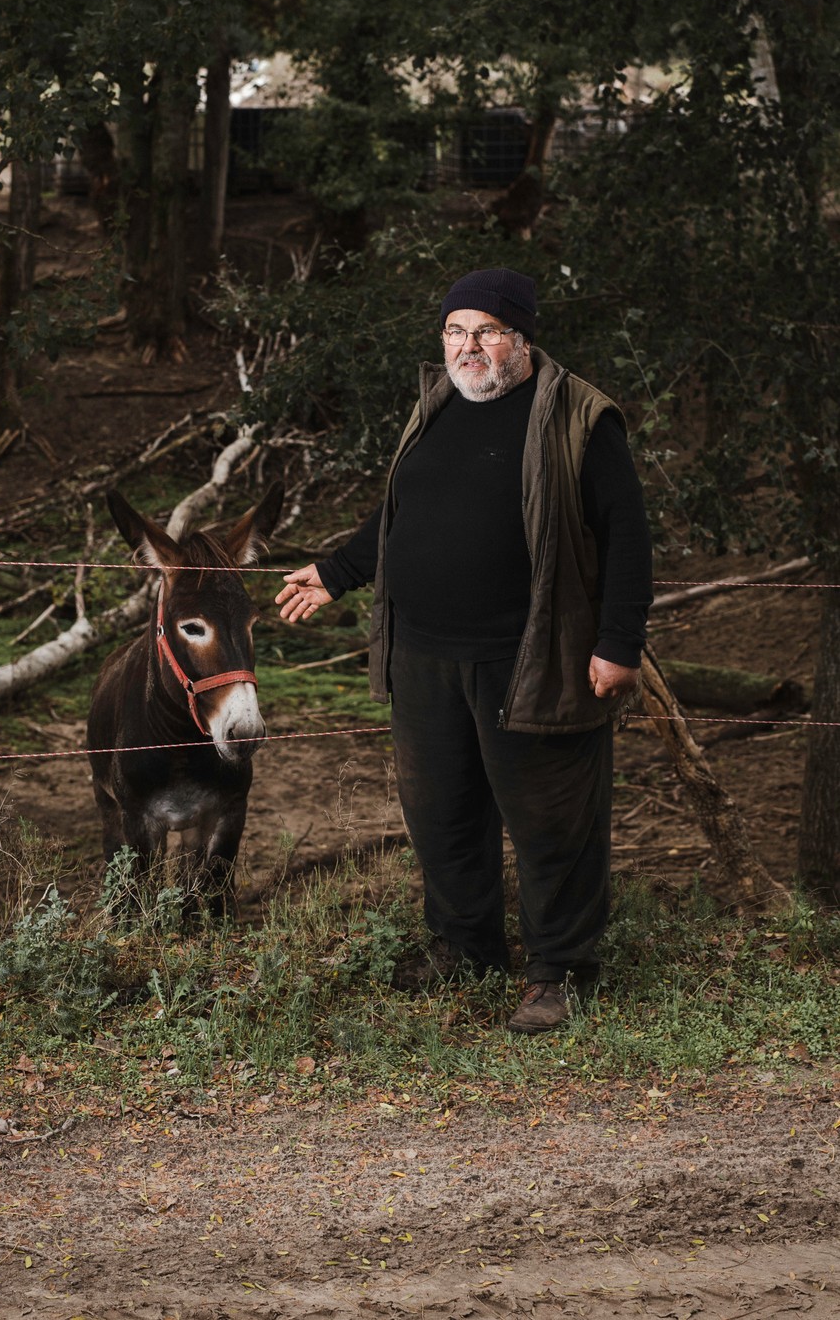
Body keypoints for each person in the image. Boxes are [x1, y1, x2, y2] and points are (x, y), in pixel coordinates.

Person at [275, 268, 653, 1033]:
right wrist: (338, 570)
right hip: (424, 656)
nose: (468, 346)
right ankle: (465, 946)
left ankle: (560, 972)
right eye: (454, 331)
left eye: (486, 330)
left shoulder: (580, 416)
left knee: (552, 822)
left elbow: (628, 536)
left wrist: (619, 640)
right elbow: (402, 509)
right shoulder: (440, 403)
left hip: (531, 655)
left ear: (521, 337)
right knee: (442, 813)